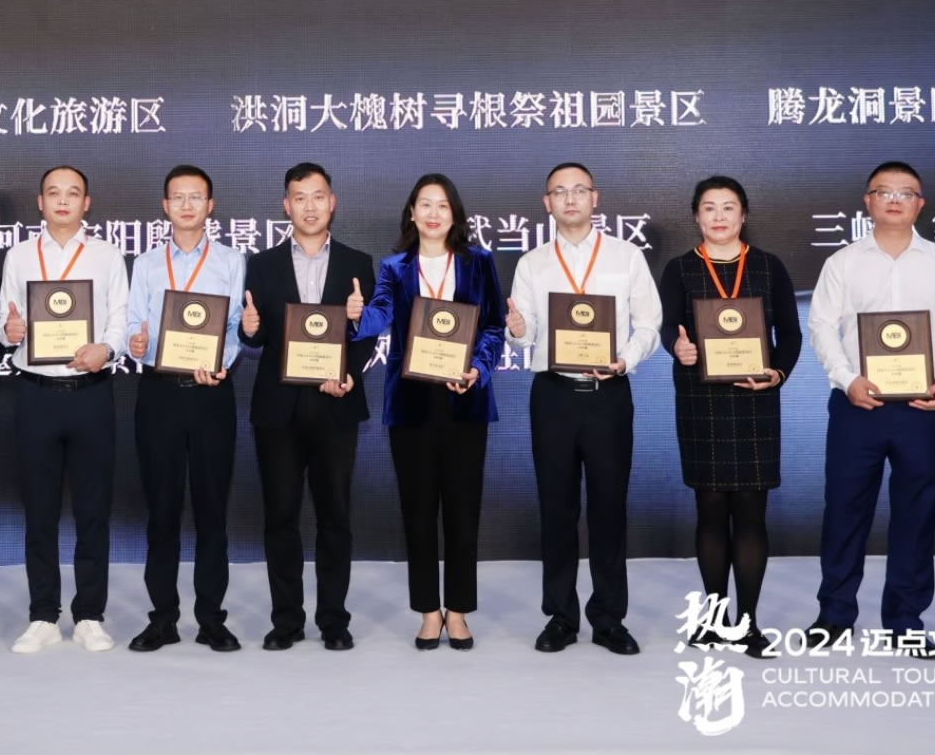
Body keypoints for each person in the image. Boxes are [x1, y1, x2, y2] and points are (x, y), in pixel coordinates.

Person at [807, 161, 935, 657]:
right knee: (844, 511)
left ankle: (905, 620)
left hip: (923, 407)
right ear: (867, 201)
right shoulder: (843, 262)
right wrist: (848, 380)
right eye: (883, 191)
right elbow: (821, 326)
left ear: (920, 204)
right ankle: (834, 615)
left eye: (905, 193)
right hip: (856, 405)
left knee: (916, 514)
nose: (894, 200)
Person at [506, 162, 661, 657]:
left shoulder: (626, 256)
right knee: (557, 508)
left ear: (596, 198)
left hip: (608, 394)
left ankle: (609, 618)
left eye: (579, 191)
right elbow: (526, 333)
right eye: (559, 192)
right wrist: (517, 330)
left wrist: (624, 360)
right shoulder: (532, 263)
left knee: (609, 508)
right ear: (546, 203)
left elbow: (649, 323)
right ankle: (561, 616)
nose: (569, 199)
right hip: (552, 395)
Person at [350, 173, 504, 651]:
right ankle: (428, 612)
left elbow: (493, 328)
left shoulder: (479, 262)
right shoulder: (395, 266)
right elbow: (379, 316)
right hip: (412, 404)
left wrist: (478, 369)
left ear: (454, 214)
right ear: (412, 214)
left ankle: (458, 611)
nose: (433, 213)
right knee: (417, 511)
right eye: (425, 204)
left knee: (462, 510)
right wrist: (357, 315)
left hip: (465, 398)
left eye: (442, 205)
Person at [657, 175, 802, 658]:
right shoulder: (680, 268)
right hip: (701, 402)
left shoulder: (768, 266)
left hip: (755, 400)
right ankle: (715, 619)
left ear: (744, 214)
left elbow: (791, 334)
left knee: (752, 514)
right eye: (709, 207)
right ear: (696, 216)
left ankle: (749, 623)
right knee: (711, 511)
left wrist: (778, 372)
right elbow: (668, 329)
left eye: (728, 207)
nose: (719, 216)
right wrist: (676, 348)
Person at [238, 162, 376, 651]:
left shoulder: (358, 263)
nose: (310, 207)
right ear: (286, 206)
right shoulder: (262, 264)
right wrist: (249, 330)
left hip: (336, 405)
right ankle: (287, 620)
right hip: (278, 410)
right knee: (280, 517)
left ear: (332, 202)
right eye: (300, 198)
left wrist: (351, 364)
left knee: (335, 516)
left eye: (318, 196)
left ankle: (334, 620)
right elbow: (255, 337)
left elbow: (367, 335)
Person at [0, 166, 129, 654]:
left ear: (86, 203)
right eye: (53, 192)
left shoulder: (106, 255)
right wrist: (8, 332)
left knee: (93, 510)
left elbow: (120, 317)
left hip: (91, 392)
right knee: (40, 511)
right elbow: (4, 319)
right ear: (40, 201)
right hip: (36, 393)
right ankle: (43, 615)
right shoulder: (19, 255)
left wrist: (106, 350)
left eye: (73, 193)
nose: (63, 200)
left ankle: (90, 613)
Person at [126, 165, 247, 652]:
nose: (187, 205)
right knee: (162, 511)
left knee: (212, 509)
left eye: (196, 197)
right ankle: (162, 618)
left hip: (211, 394)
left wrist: (221, 362)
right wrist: (135, 343)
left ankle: (211, 618)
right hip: (158, 394)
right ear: (165, 206)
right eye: (178, 197)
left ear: (210, 206)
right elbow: (134, 322)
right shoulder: (146, 263)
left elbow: (235, 326)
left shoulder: (232, 261)